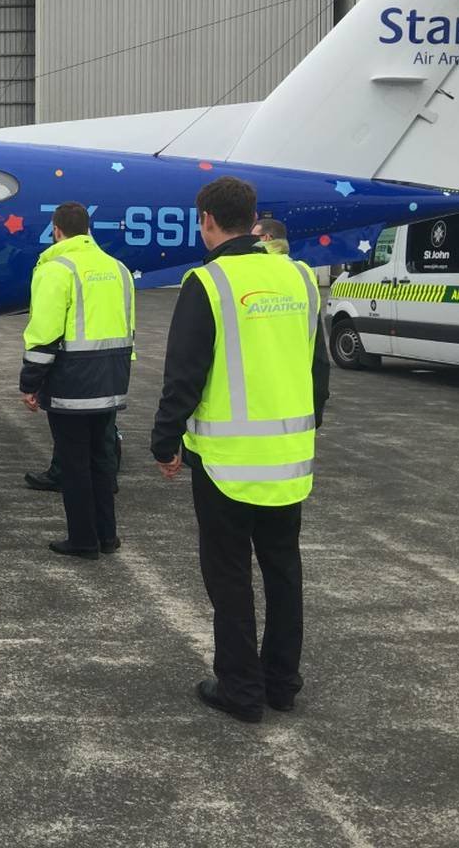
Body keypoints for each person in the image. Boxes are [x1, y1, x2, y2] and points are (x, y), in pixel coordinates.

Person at [151, 176, 329, 723]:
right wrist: (306, 426)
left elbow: (184, 373)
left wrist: (166, 439)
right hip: (289, 458)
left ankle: (240, 689)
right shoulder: (300, 278)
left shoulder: (208, 282)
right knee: (283, 570)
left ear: (206, 219)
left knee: (228, 575)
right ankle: (281, 683)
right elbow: (317, 368)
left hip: (226, 464)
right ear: (252, 218)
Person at [19, 202, 135, 559]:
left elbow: (45, 332)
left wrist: (30, 382)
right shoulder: (119, 269)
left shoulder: (57, 269)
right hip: (112, 380)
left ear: (57, 230)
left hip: (72, 382)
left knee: (74, 464)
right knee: (102, 459)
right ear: (88, 229)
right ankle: (107, 536)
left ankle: (83, 540)